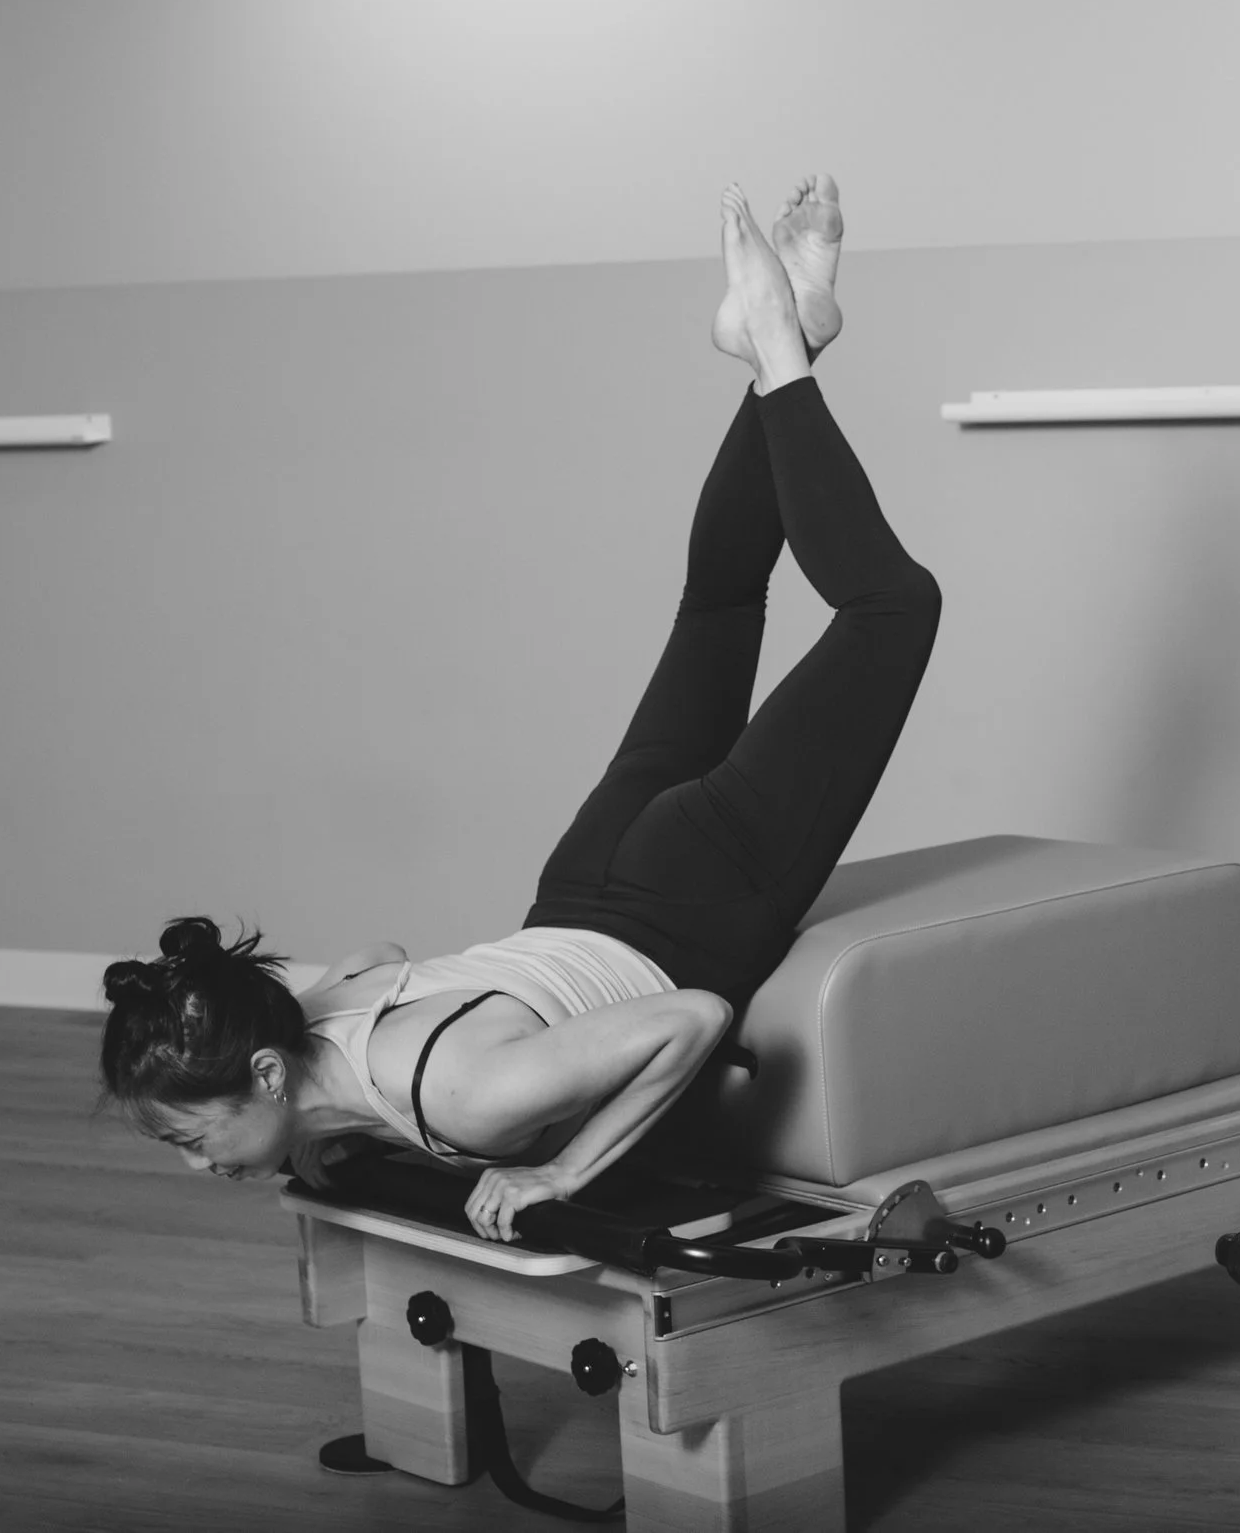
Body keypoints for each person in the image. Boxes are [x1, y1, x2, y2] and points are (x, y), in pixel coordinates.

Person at [98, 176, 941, 1243]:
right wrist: (324, 1125)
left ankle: (781, 347)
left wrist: (564, 1173)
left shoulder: (466, 1098)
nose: (192, 1161)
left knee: (889, 607)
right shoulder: (319, 1010)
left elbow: (693, 1014)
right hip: (583, 874)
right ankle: (793, 329)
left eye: (188, 1132)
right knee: (718, 608)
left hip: (682, 906)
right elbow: (378, 950)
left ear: (265, 1071)